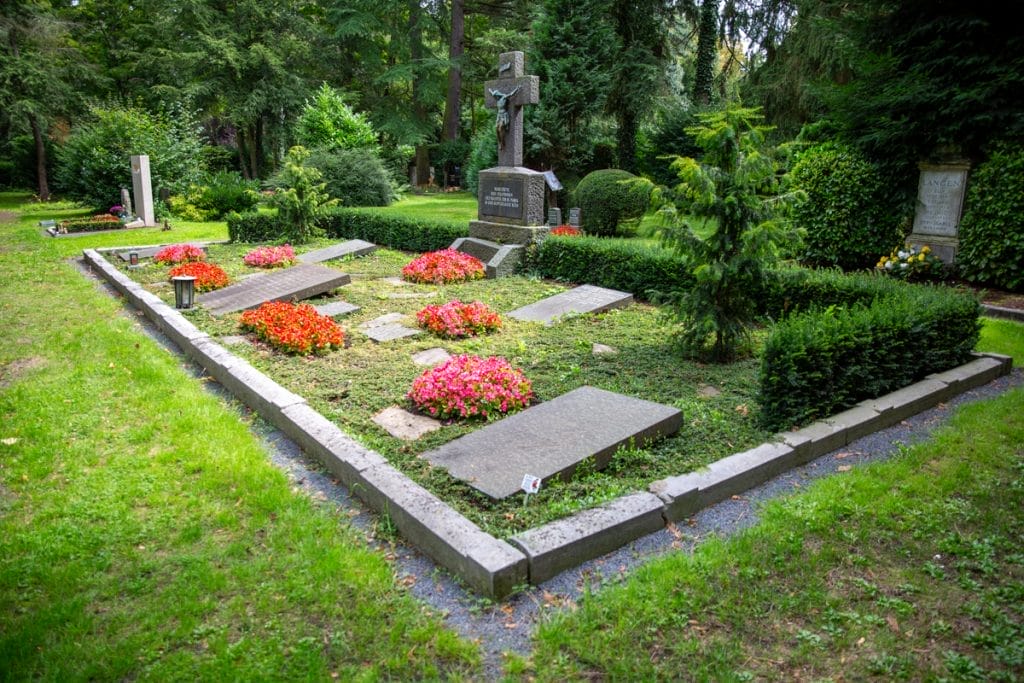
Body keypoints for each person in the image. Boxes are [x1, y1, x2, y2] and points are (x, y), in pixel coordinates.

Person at [488, 85, 520, 151]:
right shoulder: (497, 99)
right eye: (495, 96)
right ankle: (500, 142)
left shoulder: (504, 97)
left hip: (504, 115)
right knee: (496, 129)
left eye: (496, 95)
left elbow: (511, 94)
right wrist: (490, 91)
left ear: (498, 95)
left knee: (501, 128)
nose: (495, 97)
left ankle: (502, 142)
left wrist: (517, 88)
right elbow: (492, 94)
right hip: (499, 115)